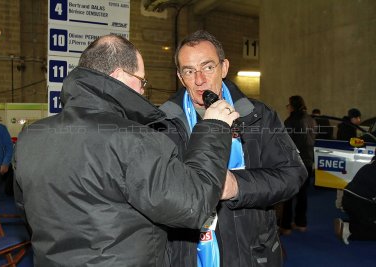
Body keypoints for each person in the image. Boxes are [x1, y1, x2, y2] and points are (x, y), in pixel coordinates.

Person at [13, 34, 240, 266]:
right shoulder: (134, 138)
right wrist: (213, 128)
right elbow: (193, 203)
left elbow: (28, 211)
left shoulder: (30, 137)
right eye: (141, 81)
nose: (142, 91)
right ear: (120, 75)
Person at [160, 30, 307, 267]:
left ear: (224, 67)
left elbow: (293, 174)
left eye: (208, 67)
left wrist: (237, 186)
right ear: (180, 76)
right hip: (187, 255)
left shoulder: (258, 116)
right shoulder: (163, 123)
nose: (199, 80)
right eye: (189, 71)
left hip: (252, 252)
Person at [280, 96, 316, 235]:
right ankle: (301, 223)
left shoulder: (291, 121)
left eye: (288, 105)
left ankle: (286, 226)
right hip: (307, 161)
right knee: (303, 194)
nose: (287, 107)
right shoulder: (310, 119)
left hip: (293, 162)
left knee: (289, 195)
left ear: (292, 106)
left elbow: (286, 143)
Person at [334, 156, 376, 245]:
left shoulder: (368, 166)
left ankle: (348, 224)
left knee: (363, 221)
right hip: (360, 203)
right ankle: (349, 231)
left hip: (347, 199)